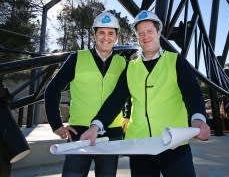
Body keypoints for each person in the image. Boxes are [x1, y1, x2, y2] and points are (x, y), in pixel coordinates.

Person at [81, 10, 211, 176]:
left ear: (158, 32)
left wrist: (198, 119)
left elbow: (192, 93)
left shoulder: (175, 61)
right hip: (140, 146)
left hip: (174, 143)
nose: (145, 36)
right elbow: (115, 100)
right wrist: (95, 126)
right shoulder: (131, 67)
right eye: (140, 33)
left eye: (149, 31)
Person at [44, 11, 127, 177]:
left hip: (112, 133)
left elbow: (126, 95)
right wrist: (56, 124)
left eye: (111, 33)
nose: (106, 37)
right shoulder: (77, 58)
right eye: (101, 33)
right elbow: (52, 90)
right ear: (93, 35)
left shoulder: (123, 63)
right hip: (79, 132)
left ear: (117, 37)